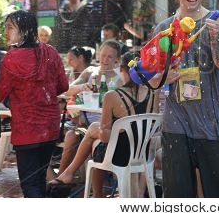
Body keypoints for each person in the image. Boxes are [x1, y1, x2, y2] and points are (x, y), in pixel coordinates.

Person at [152, 0, 219, 198]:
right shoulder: (163, 28)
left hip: (213, 124)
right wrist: (163, 77)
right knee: (178, 197)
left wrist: (216, 37)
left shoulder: (217, 22)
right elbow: (153, 78)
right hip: (176, 124)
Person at [48, 52, 154, 197]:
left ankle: (93, 192)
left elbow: (104, 137)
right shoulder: (151, 93)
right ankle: (71, 175)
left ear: (122, 69)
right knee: (94, 131)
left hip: (120, 156)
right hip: (143, 154)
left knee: (96, 139)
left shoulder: (112, 96)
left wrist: (112, 130)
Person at [0, 10, 68, 197]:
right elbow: (63, 86)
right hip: (50, 129)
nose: (6, 33)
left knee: (31, 185)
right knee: (38, 179)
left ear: (25, 31)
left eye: (10, 28)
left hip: (27, 131)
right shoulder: (50, 51)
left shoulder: (11, 58)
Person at [56, 40, 123, 176]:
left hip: (107, 127)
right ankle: (61, 179)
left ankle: (88, 186)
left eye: (110, 57)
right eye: (103, 55)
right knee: (70, 136)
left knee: (96, 143)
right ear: (99, 54)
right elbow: (66, 90)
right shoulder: (90, 72)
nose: (105, 59)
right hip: (85, 124)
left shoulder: (119, 80)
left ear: (117, 60)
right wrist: (82, 87)